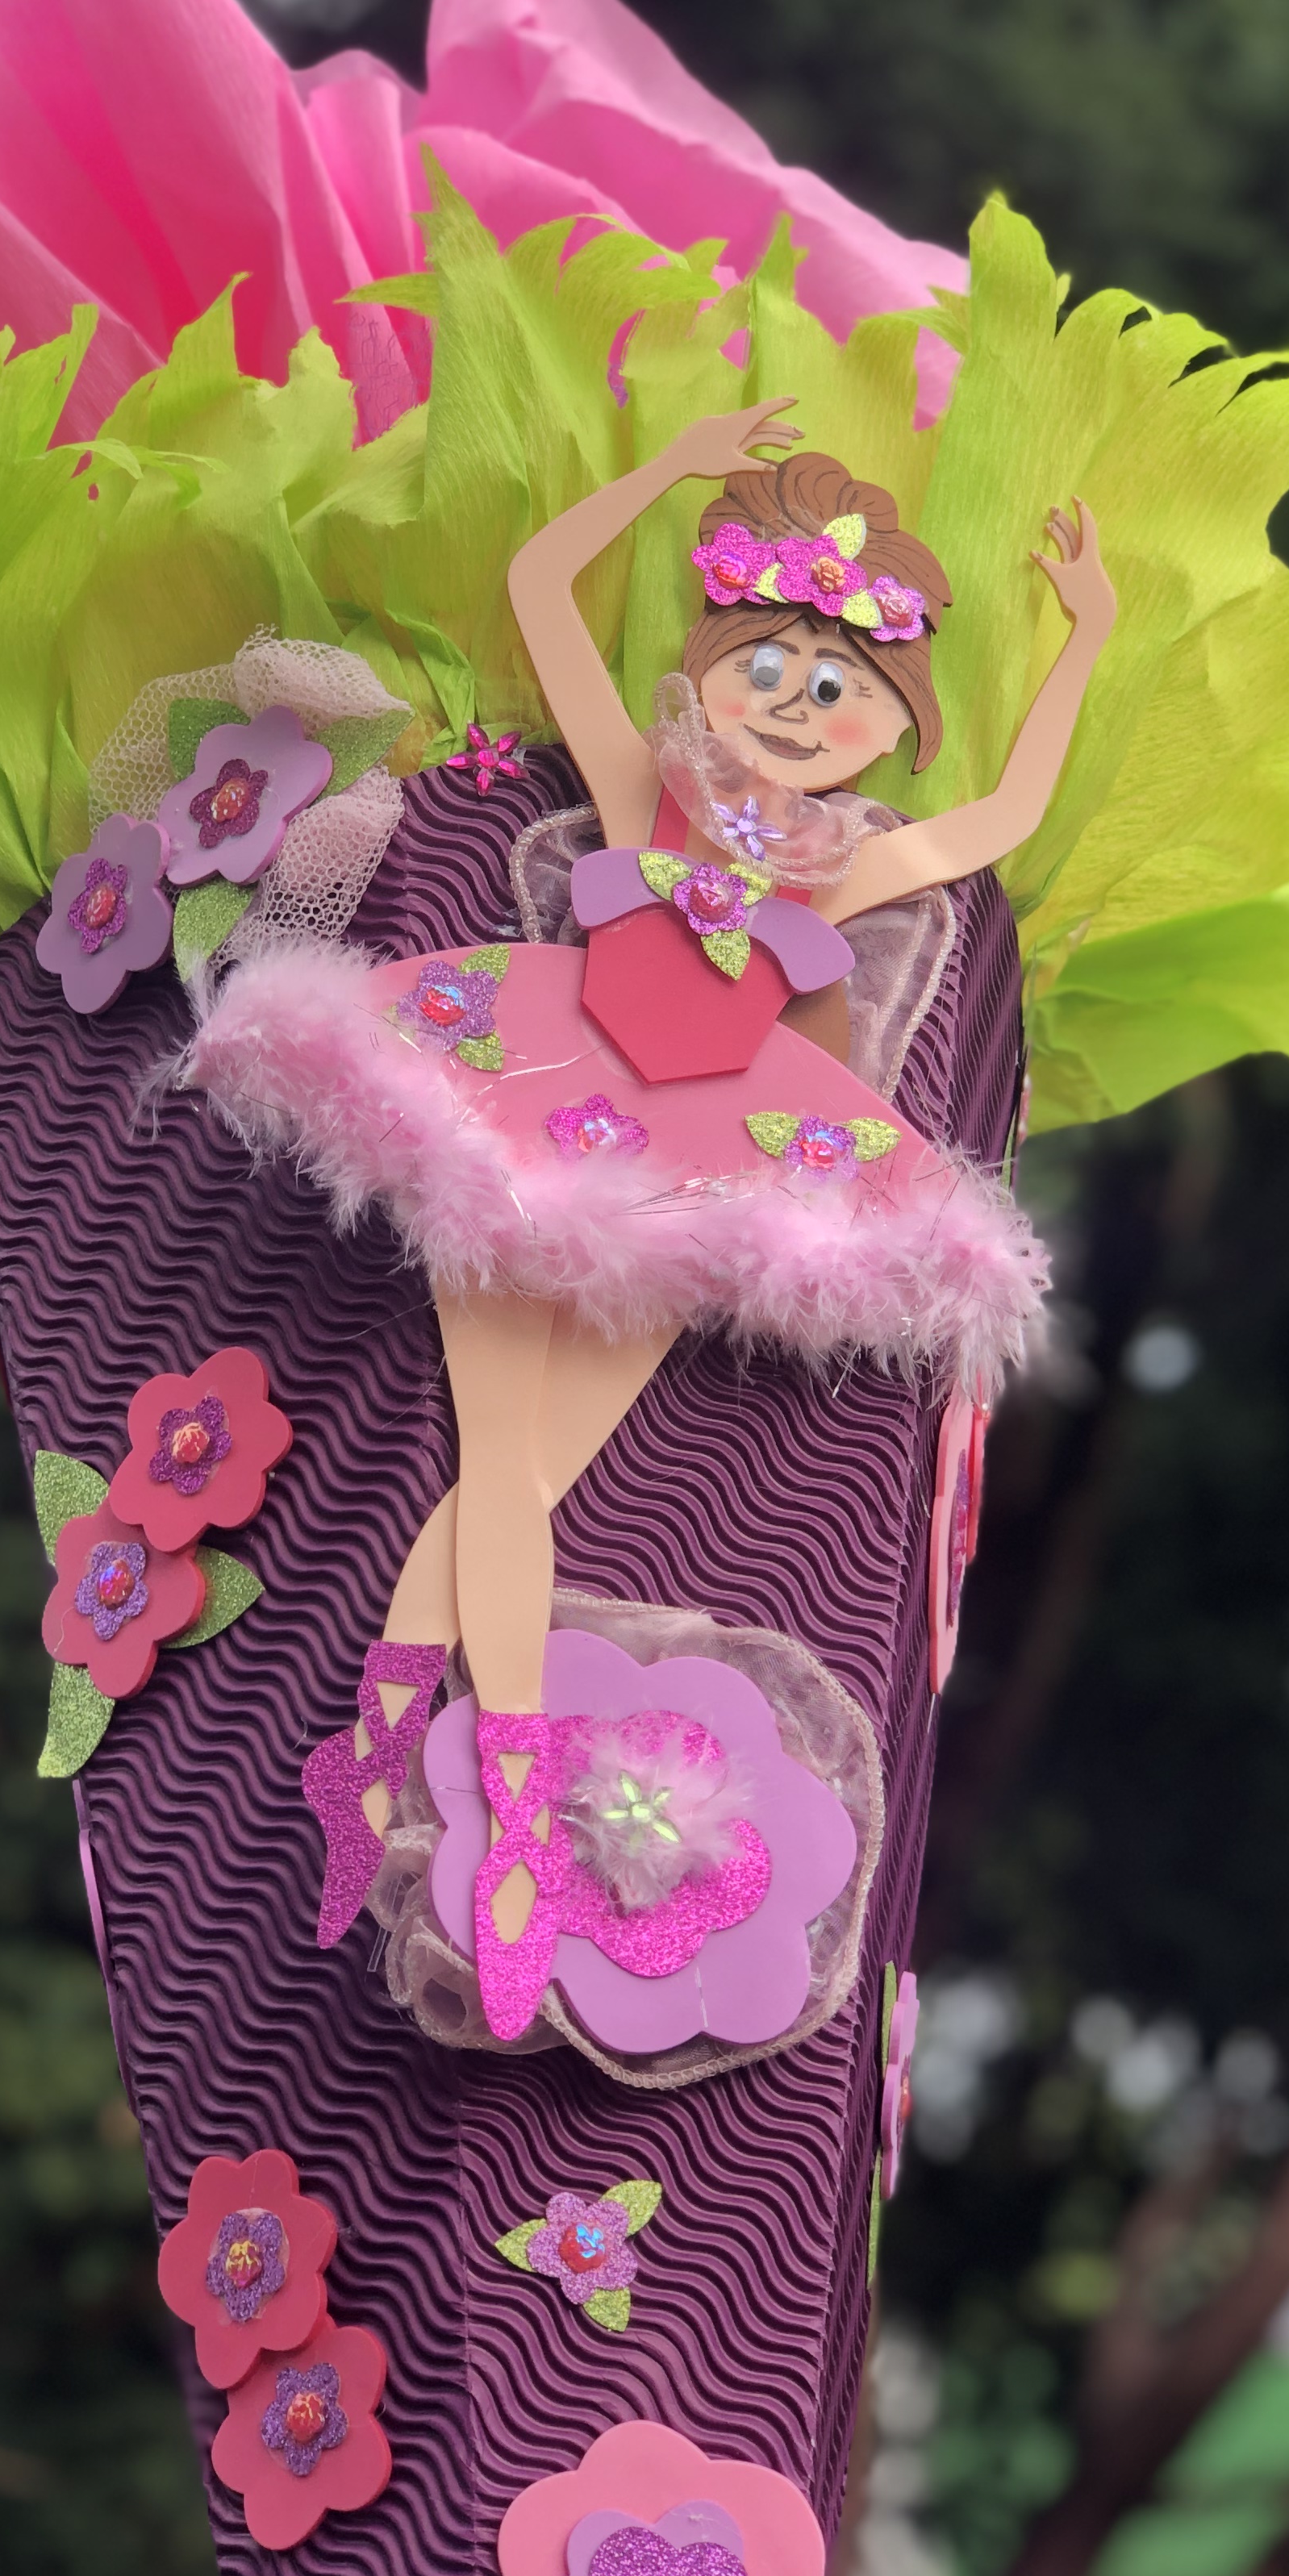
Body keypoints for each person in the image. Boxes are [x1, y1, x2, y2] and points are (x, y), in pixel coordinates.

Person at [187, 398, 1114, 2036]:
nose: (798, 704)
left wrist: (1085, 637)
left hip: (706, 1165)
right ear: (714, 665)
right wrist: (667, 476)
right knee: (502, 1467)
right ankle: (510, 1835)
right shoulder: (654, 788)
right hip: (532, 1101)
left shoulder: (840, 864)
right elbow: (544, 596)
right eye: (771, 668)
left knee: (516, 1488)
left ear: (884, 725)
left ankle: (383, 1771)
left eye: (836, 689)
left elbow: (1001, 823)